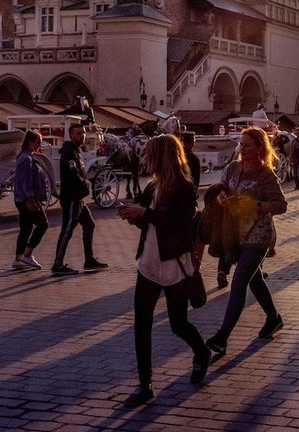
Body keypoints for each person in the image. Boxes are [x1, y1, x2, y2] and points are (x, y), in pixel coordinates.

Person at [117, 135, 208, 407]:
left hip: (173, 263)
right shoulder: (153, 185)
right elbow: (150, 223)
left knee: (177, 322)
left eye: (149, 154)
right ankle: (145, 385)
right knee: (141, 324)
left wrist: (144, 213)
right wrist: (134, 216)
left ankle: (201, 351)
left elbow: (176, 224)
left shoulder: (184, 187)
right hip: (149, 261)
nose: (145, 159)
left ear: (162, 156)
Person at [205, 126, 288, 356]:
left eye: (247, 144)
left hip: (258, 234)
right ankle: (274, 318)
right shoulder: (233, 168)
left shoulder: (265, 174)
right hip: (235, 232)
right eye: (240, 144)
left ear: (259, 148)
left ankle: (222, 337)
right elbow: (220, 187)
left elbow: (281, 205)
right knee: (255, 280)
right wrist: (221, 196)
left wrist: (256, 205)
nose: (242, 148)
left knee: (240, 280)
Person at [52, 124, 108, 275]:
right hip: (71, 198)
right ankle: (57, 264)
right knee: (67, 230)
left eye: (83, 133)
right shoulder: (69, 152)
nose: (81, 135)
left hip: (78, 198)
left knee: (89, 224)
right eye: (78, 133)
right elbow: (73, 174)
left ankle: (89, 259)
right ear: (71, 135)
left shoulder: (77, 151)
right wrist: (86, 184)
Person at [12, 130, 48, 270]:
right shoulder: (26, 159)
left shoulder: (27, 157)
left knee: (26, 228)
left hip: (21, 198)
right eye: (37, 142)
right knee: (42, 224)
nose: (39, 145)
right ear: (29, 142)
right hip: (27, 199)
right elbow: (26, 181)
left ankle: (18, 259)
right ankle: (27, 254)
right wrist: (31, 199)